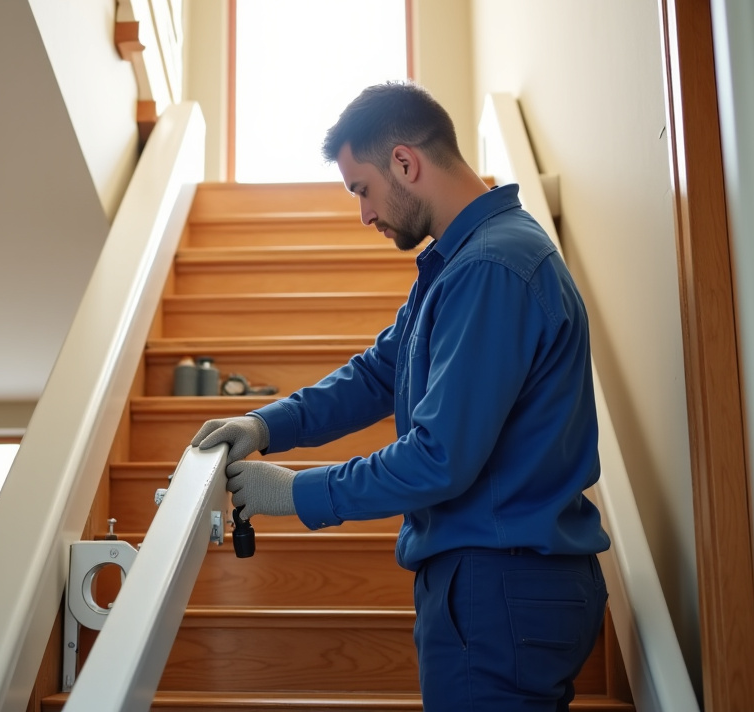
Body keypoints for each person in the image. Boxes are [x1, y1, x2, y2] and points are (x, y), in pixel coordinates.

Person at [191, 81, 610, 711]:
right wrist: (264, 424)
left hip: (498, 584)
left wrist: (296, 491)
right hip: (492, 581)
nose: (363, 213)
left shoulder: (490, 268)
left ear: (406, 163)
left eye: (362, 189)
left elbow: (439, 456)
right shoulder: (460, 264)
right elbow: (377, 375)